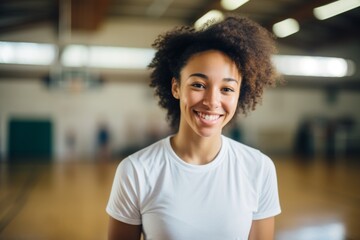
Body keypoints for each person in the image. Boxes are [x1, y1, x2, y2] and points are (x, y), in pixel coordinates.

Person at [106, 15, 281, 240]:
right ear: (176, 87)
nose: (212, 101)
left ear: (240, 95)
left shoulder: (259, 168)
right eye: (198, 85)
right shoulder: (136, 171)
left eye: (226, 89)